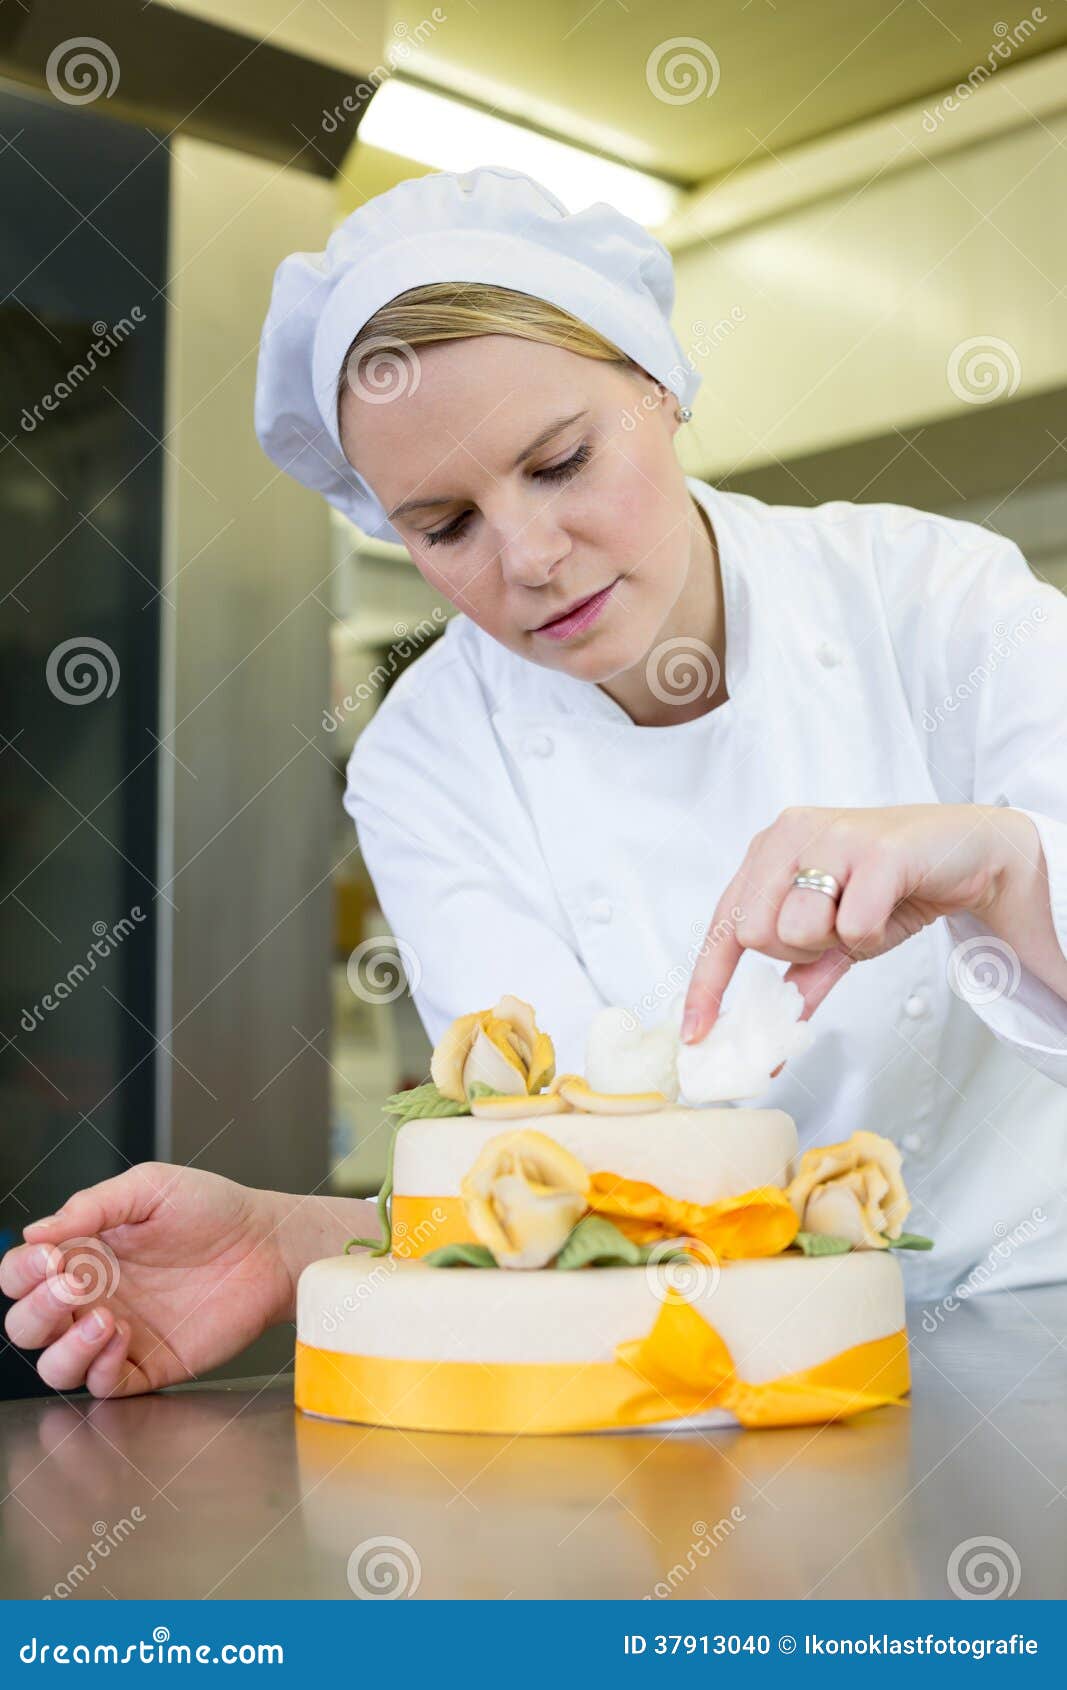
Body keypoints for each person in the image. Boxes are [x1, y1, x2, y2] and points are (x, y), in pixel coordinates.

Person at [4, 166, 1066, 1400]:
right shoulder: (429, 757)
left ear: (658, 382)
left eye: (558, 461)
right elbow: (571, 1184)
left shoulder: (931, 597)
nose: (531, 558)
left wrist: (1000, 866)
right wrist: (307, 1242)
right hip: (701, 1377)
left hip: (1037, 1314)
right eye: (444, 525)